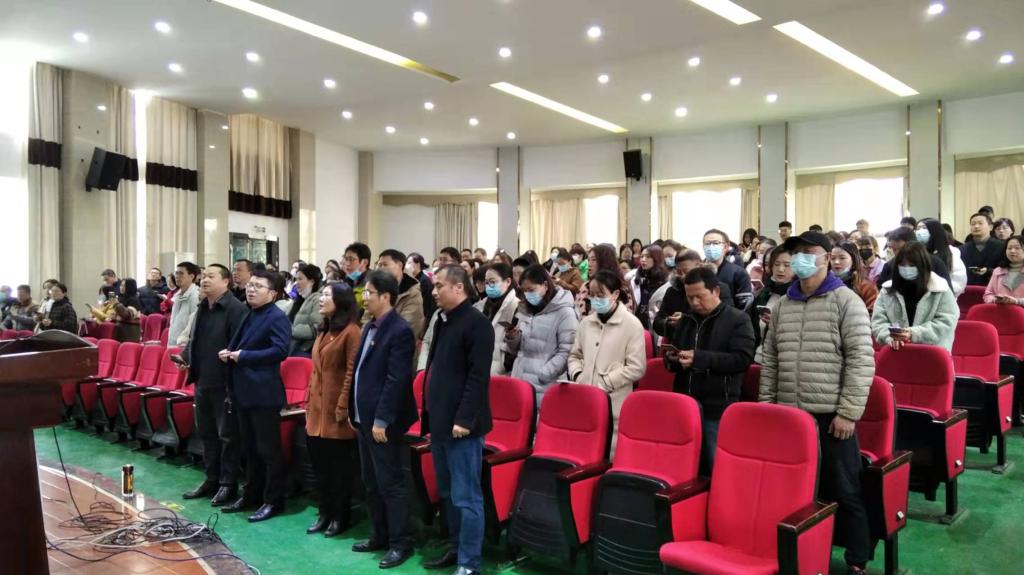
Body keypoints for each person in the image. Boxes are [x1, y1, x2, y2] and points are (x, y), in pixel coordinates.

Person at [758, 230, 874, 575]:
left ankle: (857, 559)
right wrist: (768, 407)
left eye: (809, 252)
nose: (800, 259)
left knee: (845, 489)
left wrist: (848, 412)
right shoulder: (784, 304)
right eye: (796, 253)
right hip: (790, 417)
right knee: (795, 491)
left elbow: (861, 360)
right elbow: (771, 360)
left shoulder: (846, 301)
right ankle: (803, 554)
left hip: (831, 416)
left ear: (826, 257)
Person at [420, 265, 493, 575]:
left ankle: (469, 562)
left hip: (462, 428)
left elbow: (478, 378)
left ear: (459, 287)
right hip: (440, 423)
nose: (434, 291)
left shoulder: (477, 324)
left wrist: (464, 419)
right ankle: (455, 547)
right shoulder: (443, 319)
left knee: (466, 497)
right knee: (448, 494)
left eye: (439, 286)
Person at [348, 272, 418, 568]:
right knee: (371, 481)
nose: (364, 298)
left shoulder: (399, 330)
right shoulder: (370, 326)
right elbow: (360, 373)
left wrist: (382, 419)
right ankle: (379, 534)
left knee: (391, 482)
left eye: (369, 293)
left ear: (386, 297)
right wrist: (354, 412)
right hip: (364, 419)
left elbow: (396, 380)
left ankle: (401, 543)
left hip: (383, 423)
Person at [664, 267, 754, 472]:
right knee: (684, 464)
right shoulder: (687, 319)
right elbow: (677, 350)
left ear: (716, 291)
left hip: (717, 404)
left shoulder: (737, 319)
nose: (695, 303)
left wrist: (699, 359)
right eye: (690, 297)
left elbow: (742, 359)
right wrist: (673, 359)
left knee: (716, 466)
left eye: (700, 296)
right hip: (685, 402)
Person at [220, 270, 292, 522]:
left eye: (258, 286)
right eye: (250, 285)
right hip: (243, 392)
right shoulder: (249, 313)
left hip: (263, 394)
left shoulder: (277, 317)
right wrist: (230, 353)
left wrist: (243, 356)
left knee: (268, 451)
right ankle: (251, 494)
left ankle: (273, 500)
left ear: (272, 294)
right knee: (249, 449)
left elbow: (280, 351)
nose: (251, 289)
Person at [179, 264, 248, 507]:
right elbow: (195, 339)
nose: (205, 280)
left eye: (211, 276)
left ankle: (228, 484)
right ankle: (211, 479)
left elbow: (239, 346)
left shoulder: (236, 309)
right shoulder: (202, 307)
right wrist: (186, 357)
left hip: (225, 384)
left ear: (226, 282)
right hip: (203, 380)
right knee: (207, 434)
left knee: (227, 436)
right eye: (204, 276)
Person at [303, 282, 362, 538]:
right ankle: (324, 513)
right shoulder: (324, 329)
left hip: (336, 414)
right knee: (321, 469)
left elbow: (351, 373)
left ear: (341, 300)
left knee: (339, 471)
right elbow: (315, 373)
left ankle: (340, 516)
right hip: (316, 412)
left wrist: (342, 407)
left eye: (327, 294)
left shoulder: (352, 332)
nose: (321, 298)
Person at [568, 270, 647, 451]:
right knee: (583, 451)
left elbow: (637, 367)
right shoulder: (586, 323)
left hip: (614, 402)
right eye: (592, 295)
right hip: (585, 398)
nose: (595, 299)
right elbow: (575, 355)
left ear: (615, 294)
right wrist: (578, 375)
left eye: (601, 295)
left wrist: (605, 382)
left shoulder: (632, 324)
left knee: (607, 451)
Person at [505, 265, 578, 405]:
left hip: (545, 385)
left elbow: (567, 351)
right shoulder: (525, 309)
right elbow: (520, 348)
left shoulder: (565, 312)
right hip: (520, 380)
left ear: (545, 285)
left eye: (531, 290)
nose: (528, 294)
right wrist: (513, 338)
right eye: (524, 291)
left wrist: (543, 374)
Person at [872, 242, 959, 352]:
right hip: (897, 352)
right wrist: (890, 337)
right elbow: (878, 322)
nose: (906, 268)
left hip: (932, 353)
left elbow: (946, 322)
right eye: (902, 265)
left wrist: (913, 334)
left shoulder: (941, 289)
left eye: (912, 265)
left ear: (923, 265)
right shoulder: (887, 290)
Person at [748, 246, 795, 363]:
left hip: (785, 359)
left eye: (787, 265)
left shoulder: (799, 295)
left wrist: (776, 323)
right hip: (759, 356)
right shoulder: (765, 292)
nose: (781, 269)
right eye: (776, 264)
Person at [477, 263, 521, 375]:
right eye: (487, 282)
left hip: (502, 369)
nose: (489, 286)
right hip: (481, 364)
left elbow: (518, 345)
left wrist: (506, 365)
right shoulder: (481, 305)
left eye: (493, 282)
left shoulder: (517, 307)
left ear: (508, 281)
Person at [372, 249, 426, 339]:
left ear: (400, 265)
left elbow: (406, 329)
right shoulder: (375, 288)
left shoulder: (412, 293)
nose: (381, 269)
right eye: (379, 265)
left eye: (385, 264)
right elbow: (366, 318)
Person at [876, 228, 951, 288]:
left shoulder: (935, 263)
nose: (898, 253)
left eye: (901, 249)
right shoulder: (889, 266)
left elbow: (947, 290)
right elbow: (881, 290)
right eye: (894, 249)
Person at [702, 229, 754, 310]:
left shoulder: (738, 273)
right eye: (707, 244)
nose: (711, 247)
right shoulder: (697, 271)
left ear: (726, 247)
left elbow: (744, 306)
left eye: (716, 243)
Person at [917, 218, 967, 297]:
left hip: (943, 296)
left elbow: (959, 281)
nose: (920, 231)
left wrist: (942, 294)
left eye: (924, 228)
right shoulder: (916, 252)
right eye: (918, 228)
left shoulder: (951, 252)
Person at [287, 264, 324, 355]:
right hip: (292, 346)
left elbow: (316, 328)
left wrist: (290, 330)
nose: (296, 283)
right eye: (295, 279)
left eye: (300, 279)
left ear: (311, 281)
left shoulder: (317, 299)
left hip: (305, 349)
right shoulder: (299, 300)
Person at [831, 242, 879, 313]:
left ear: (853, 260)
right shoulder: (824, 283)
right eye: (832, 258)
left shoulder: (866, 286)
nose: (836, 262)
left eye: (842, 258)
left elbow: (872, 313)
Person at [961, 212, 1006, 287]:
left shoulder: (1002, 247)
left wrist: (988, 271)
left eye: (980, 223)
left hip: (994, 289)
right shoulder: (962, 249)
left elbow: (1007, 270)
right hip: (968, 289)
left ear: (991, 227)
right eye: (973, 224)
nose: (976, 226)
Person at [630, 244, 670, 329]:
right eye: (642, 256)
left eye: (648, 257)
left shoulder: (665, 282)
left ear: (657, 258)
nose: (643, 260)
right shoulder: (635, 280)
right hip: (638, 323)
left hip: (656, 324)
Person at [984, 235, 1024, 306]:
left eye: (1017, 248)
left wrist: (1017, 301)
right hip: (1001, 311)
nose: (1012, 251)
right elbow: (987, 294)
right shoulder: (998, 271)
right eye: (1009, 248)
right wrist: (995, 299)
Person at [168, 262, 201, 345]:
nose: (177, 276)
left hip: (185, 344)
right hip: (173, 342)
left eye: (181, 273)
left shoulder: (195, 296)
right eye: (176, 273)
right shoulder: (177, 295)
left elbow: (193, 324)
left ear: (191, 276)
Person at [343, 242, 372, 314]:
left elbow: (366, 311)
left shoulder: (371, 283)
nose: (347, 264)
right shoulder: (347, 280)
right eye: (346, 259)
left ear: (365, 262)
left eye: (351, 259)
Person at [408, 252, 437, 321]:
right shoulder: (411, 279)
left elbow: (428, 303)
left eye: (409, 263)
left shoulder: (425, 280)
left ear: (418, 264)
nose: (407, 266)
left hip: (423, 317)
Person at [112, 278, 143, 342]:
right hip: (120, 331)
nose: (121, 287)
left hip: (129, 333)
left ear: (130, 287)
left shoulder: (134, 300)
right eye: (121, 285)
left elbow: (127, 314)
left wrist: (116, 304)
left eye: (124, 286)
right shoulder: (121, 298)